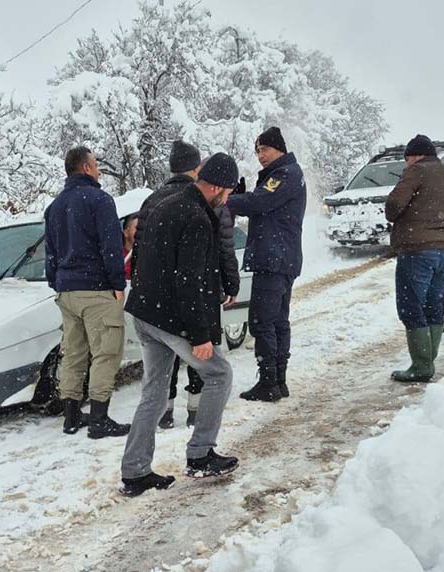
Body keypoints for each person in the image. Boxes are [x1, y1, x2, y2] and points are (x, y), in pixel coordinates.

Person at [120, 153, 242, 497]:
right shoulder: (197, 218)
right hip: (170, 318)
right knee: (219, 374)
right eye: (228, 191)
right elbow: (190, 281)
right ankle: (201, 454)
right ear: (216, 186)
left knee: (154, 393)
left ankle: (135, 472)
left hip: (145, 312)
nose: (228, 198)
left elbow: (141, 256)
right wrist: (200, 335)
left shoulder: (162, 204)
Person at [136, 141, 240, 429]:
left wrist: (142, 288)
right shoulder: (204, 208)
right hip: (192, 298)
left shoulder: (153, 200)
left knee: (158, 378)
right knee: (207, 361)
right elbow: (223, 248)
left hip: (154, 304)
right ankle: (197, 418)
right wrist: (230, 284)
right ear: (197, 169)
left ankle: (166, 412)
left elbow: (141, 246)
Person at [44, 146, 131, 439]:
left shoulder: (55, 207)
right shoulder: (99, 201)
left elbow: (51, 252)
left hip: (66, 291)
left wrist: (56, 282)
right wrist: (117, 284)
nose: (98, 170)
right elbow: (111, 247)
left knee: (73, 353)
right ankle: (99, 418)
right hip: (96, 289)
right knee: (106, 351)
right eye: (95, 165)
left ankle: (71, 416)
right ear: (85, 168)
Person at [226, 127, 306, 403]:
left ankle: (269, 381)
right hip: (281, 257)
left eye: (265, 150)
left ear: (279, 149)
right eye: (258, 151)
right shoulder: (283, 174)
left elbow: (260, 202)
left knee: (262, 321)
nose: (261, 156)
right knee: (278, 321)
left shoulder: (285, 175)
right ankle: (278, 380)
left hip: (274, 258)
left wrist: (225, 200)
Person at [384, 134, 444, 383]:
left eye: (407, 159)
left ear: (414, 156)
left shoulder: (417, 171)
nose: (407, 164)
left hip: (417, 249)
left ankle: (422, 365)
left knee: (410, 306)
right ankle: (428, 360)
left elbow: (394, 204)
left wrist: (395, 213)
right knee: (433, 304)